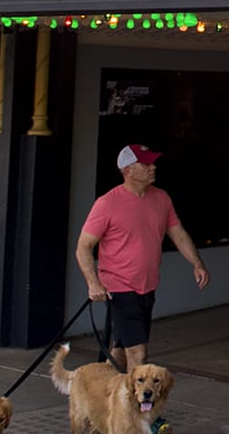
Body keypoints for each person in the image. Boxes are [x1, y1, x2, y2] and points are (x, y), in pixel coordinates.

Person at [75, 144, 210, 391]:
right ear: (127, 169)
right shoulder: (107, 203)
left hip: (147, 286)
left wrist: (197, 263)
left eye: (152, 163)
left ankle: (103, 397)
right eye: (146, 164)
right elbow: (83, 247)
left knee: (119, 349)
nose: (153, 167)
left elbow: (178, 235)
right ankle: (138, 414)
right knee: (138, 353)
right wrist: (93, 282)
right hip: (119, 286)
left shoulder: (161, 198)